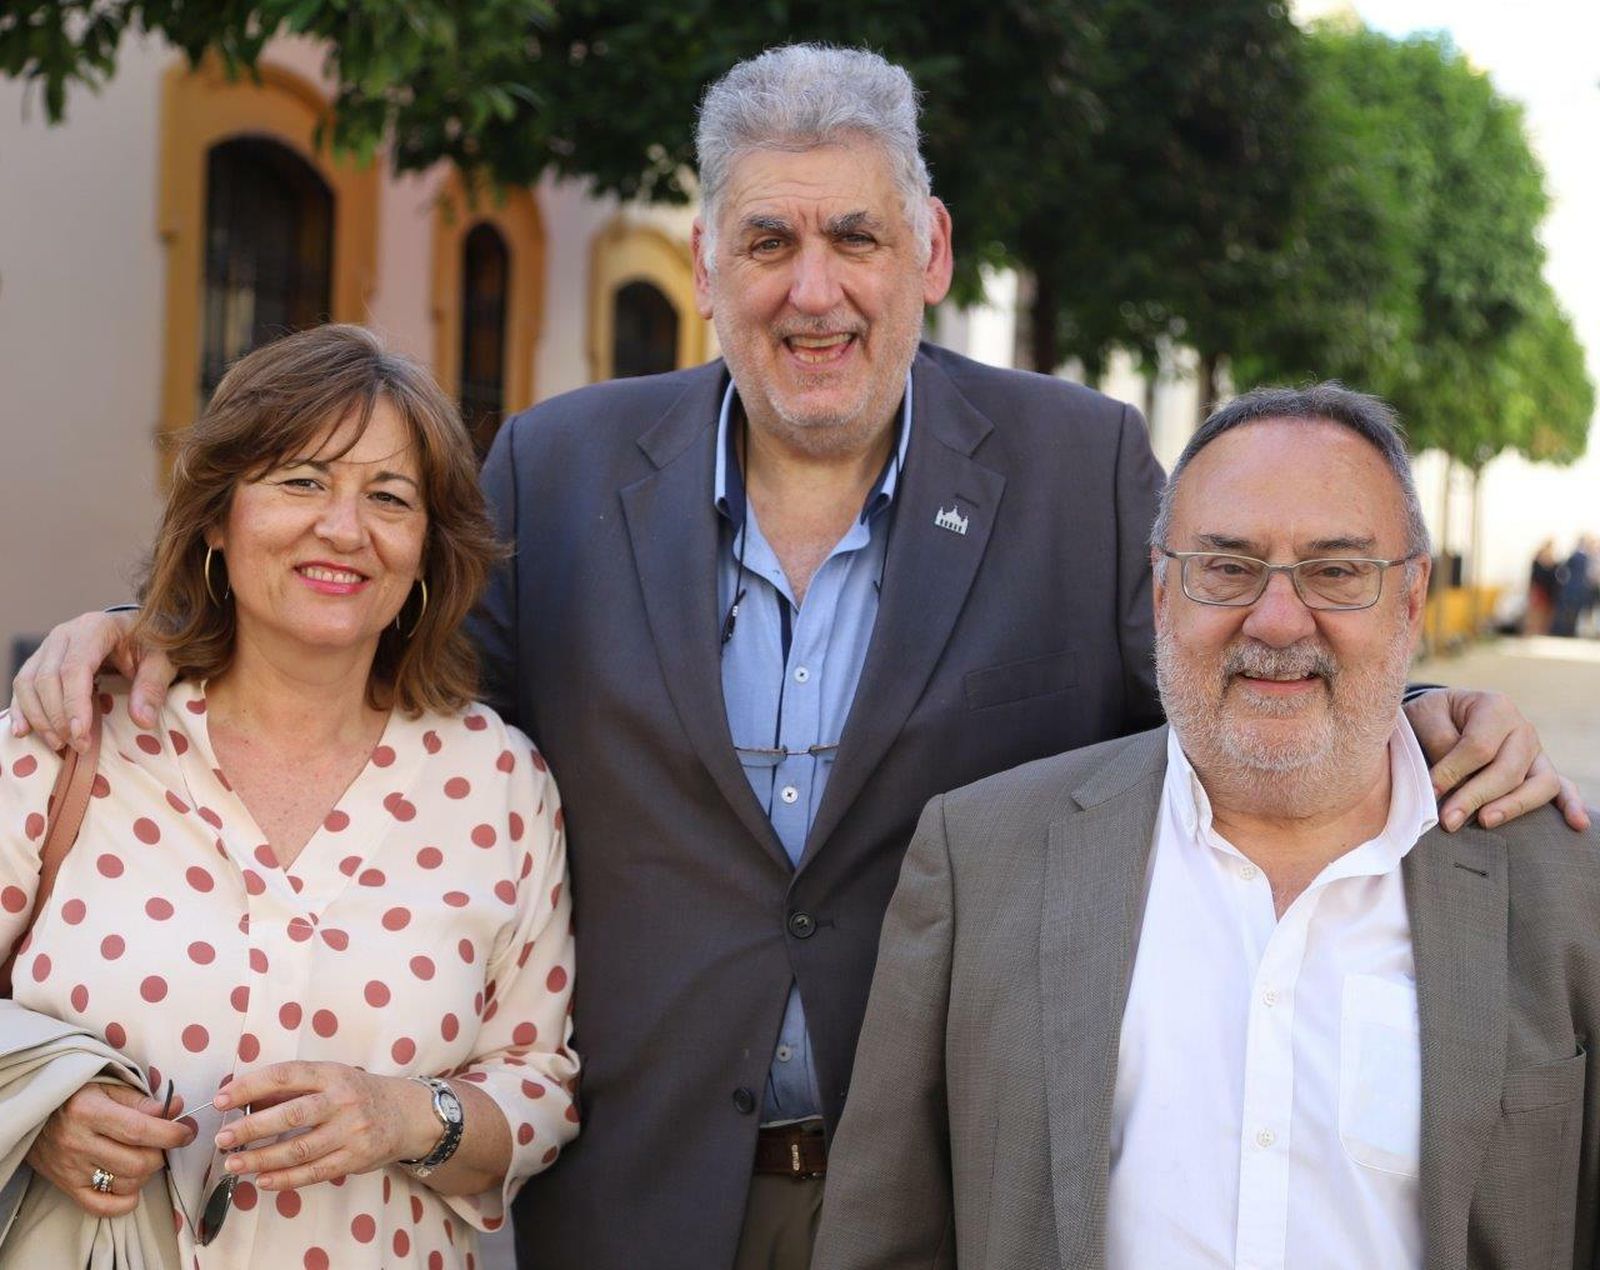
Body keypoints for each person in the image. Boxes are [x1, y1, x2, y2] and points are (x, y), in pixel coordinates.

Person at [9, 47, 1585, 1270]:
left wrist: (1431, 713)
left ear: (931, 249)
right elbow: (377, 662)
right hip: (630, 1194)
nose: (811, 287)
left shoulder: (1081, 463)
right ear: (705, 263)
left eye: (855, 235)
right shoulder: (563, 465)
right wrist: (147, 632)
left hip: (945, 1185)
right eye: (767, 239)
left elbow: (1240, 654)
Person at [814, 385, 1600, 1270]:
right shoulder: (981, 860)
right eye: (1226, 568)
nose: (1275, 620)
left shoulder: (1570, 890)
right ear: (1161, 591)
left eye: (1335, 571)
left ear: (1412, 599)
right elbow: (882, 1239)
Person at [0, 325, 577, 1268]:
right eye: (302, 481)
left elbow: (540, 1087)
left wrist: (405, 1117)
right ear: (218, 520)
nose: (344, 529)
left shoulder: (502, 782)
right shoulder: (72, 736)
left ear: (427, 553)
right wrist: (38, 1106)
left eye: (388, 498)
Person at [1523, 537, 1559, 634]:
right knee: (1535, 614)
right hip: (1539, 591)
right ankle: (1531, 633)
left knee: (1546, 617)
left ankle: (1541, 633)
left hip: (1549, 592)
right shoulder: (1537, 562)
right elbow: (1535, 577)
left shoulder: (1554, 562)